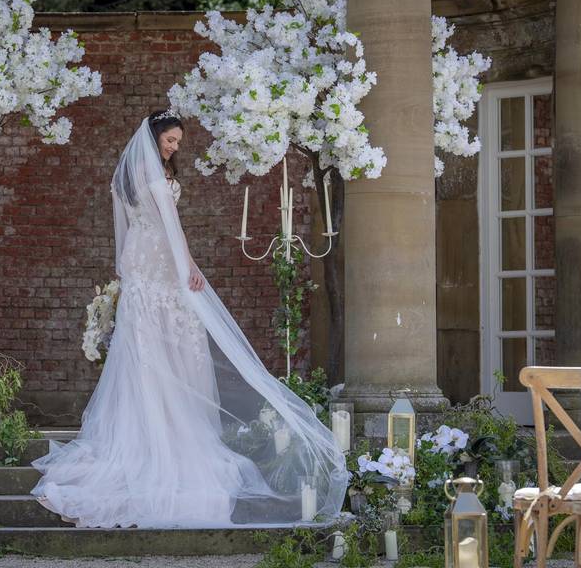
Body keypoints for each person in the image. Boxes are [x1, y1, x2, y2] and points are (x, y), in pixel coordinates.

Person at [31, 111, 349, 528]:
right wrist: (190, 269)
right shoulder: (157, 181)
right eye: (170, 141)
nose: (174, 148)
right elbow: (172, 229)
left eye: (178, 142)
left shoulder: (123, 180)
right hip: (160, 264)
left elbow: (124, 235)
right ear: (154, 137)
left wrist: (126, 275)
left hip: (139, 265)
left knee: (148, 352)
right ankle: (166, 436)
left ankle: (151, 430)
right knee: (168, 349)